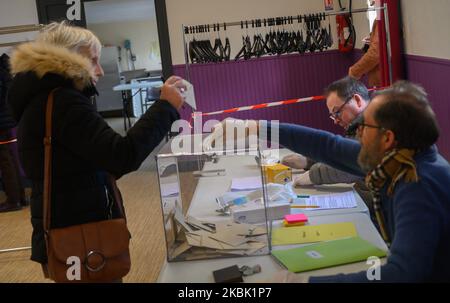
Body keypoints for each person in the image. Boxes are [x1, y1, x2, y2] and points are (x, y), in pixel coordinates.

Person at [208, 81, 450, 282]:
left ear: (387, 138)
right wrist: (255, 127)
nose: (358, 133)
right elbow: (327, 146)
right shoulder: (400, 159)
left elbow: (400, 275)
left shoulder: (418, 184)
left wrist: (306, 282)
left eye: (365, 126)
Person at [7, 22, 185, 275]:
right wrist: (166, 107)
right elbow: (121, 156)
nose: (100, 71)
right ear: (68, 58)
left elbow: (98, 159)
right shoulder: (64, 102)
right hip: (80, 228)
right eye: (93, 60)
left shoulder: (42, 98)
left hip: (68, 220)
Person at [282, 77, 370, 187]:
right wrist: (308, 161)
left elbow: (354, 162)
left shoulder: (377, 125)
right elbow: (340, 151)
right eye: (333, 116)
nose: (336, 121)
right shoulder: (359, 125)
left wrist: (313, 175)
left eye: (337, 112)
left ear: (357, 100)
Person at [0, 53, 26, 213]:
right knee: (10, 158)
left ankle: (13, 199)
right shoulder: (5, 68)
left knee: (5, 161)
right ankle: (20, 197)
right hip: (8, 120)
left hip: (1, 122)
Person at [348, 1, 381, 88]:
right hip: (382, 80)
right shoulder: (379, 19)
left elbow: (375, 53)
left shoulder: (382, 19)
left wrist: (355, 71)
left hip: (383, 81)